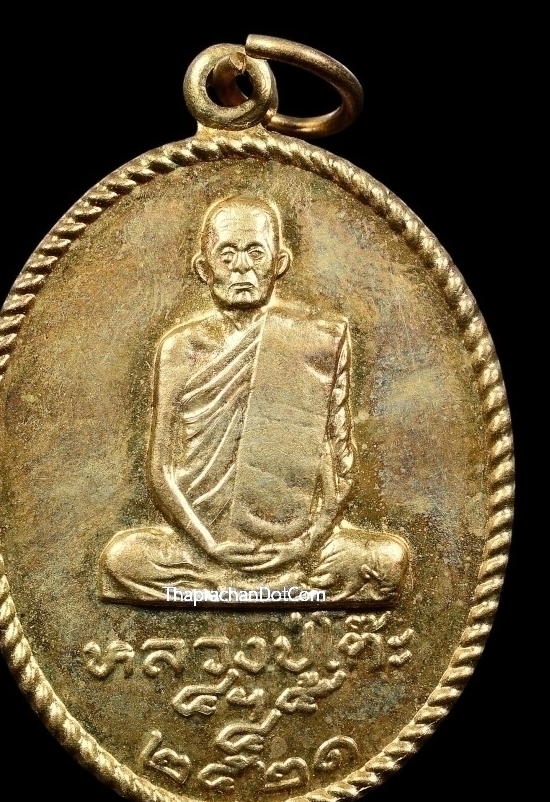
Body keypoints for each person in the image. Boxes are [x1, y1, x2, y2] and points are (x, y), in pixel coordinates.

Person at [98, 195, 409, 606]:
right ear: (204, 268)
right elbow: (161, 470)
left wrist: (302, 545)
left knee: (389, 560)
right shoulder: (180, 348)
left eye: (255, 253)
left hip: (296, 546)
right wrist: (211, 546)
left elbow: (339, 467)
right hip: (201, 544)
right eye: (227, 255)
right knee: (123, 558)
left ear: (279, 263)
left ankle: (230, 590)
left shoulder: (317, 339)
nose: (241, 267)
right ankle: (274, 591)